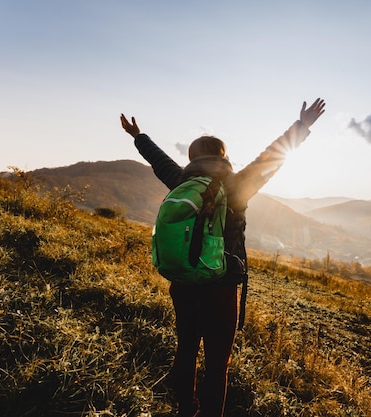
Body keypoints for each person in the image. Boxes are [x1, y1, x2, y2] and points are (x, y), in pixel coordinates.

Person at [120, 98, 325, 417]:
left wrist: (138, 136)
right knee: (217, 365)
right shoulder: (236, 186)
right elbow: (271, 157)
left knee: (186, 350)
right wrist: (302, 126)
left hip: (183, 281)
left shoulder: (182, 182)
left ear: (191, 159)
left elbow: (159, 161)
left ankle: (185, 409)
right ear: (224, 157)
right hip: (221, 286)